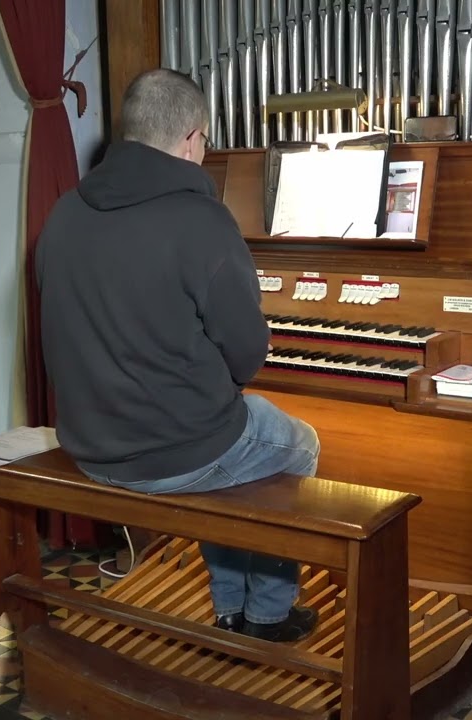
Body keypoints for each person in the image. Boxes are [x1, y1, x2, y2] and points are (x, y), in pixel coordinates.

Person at [34, 68, 320, 643]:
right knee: (296, 444)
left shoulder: (64, 212)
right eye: (206, 140)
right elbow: (248, 354)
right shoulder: (200, 219)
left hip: (90, 444)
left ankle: (229, 607)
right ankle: (267, 614)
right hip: (170, 452)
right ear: (192, 138)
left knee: (225, 440)